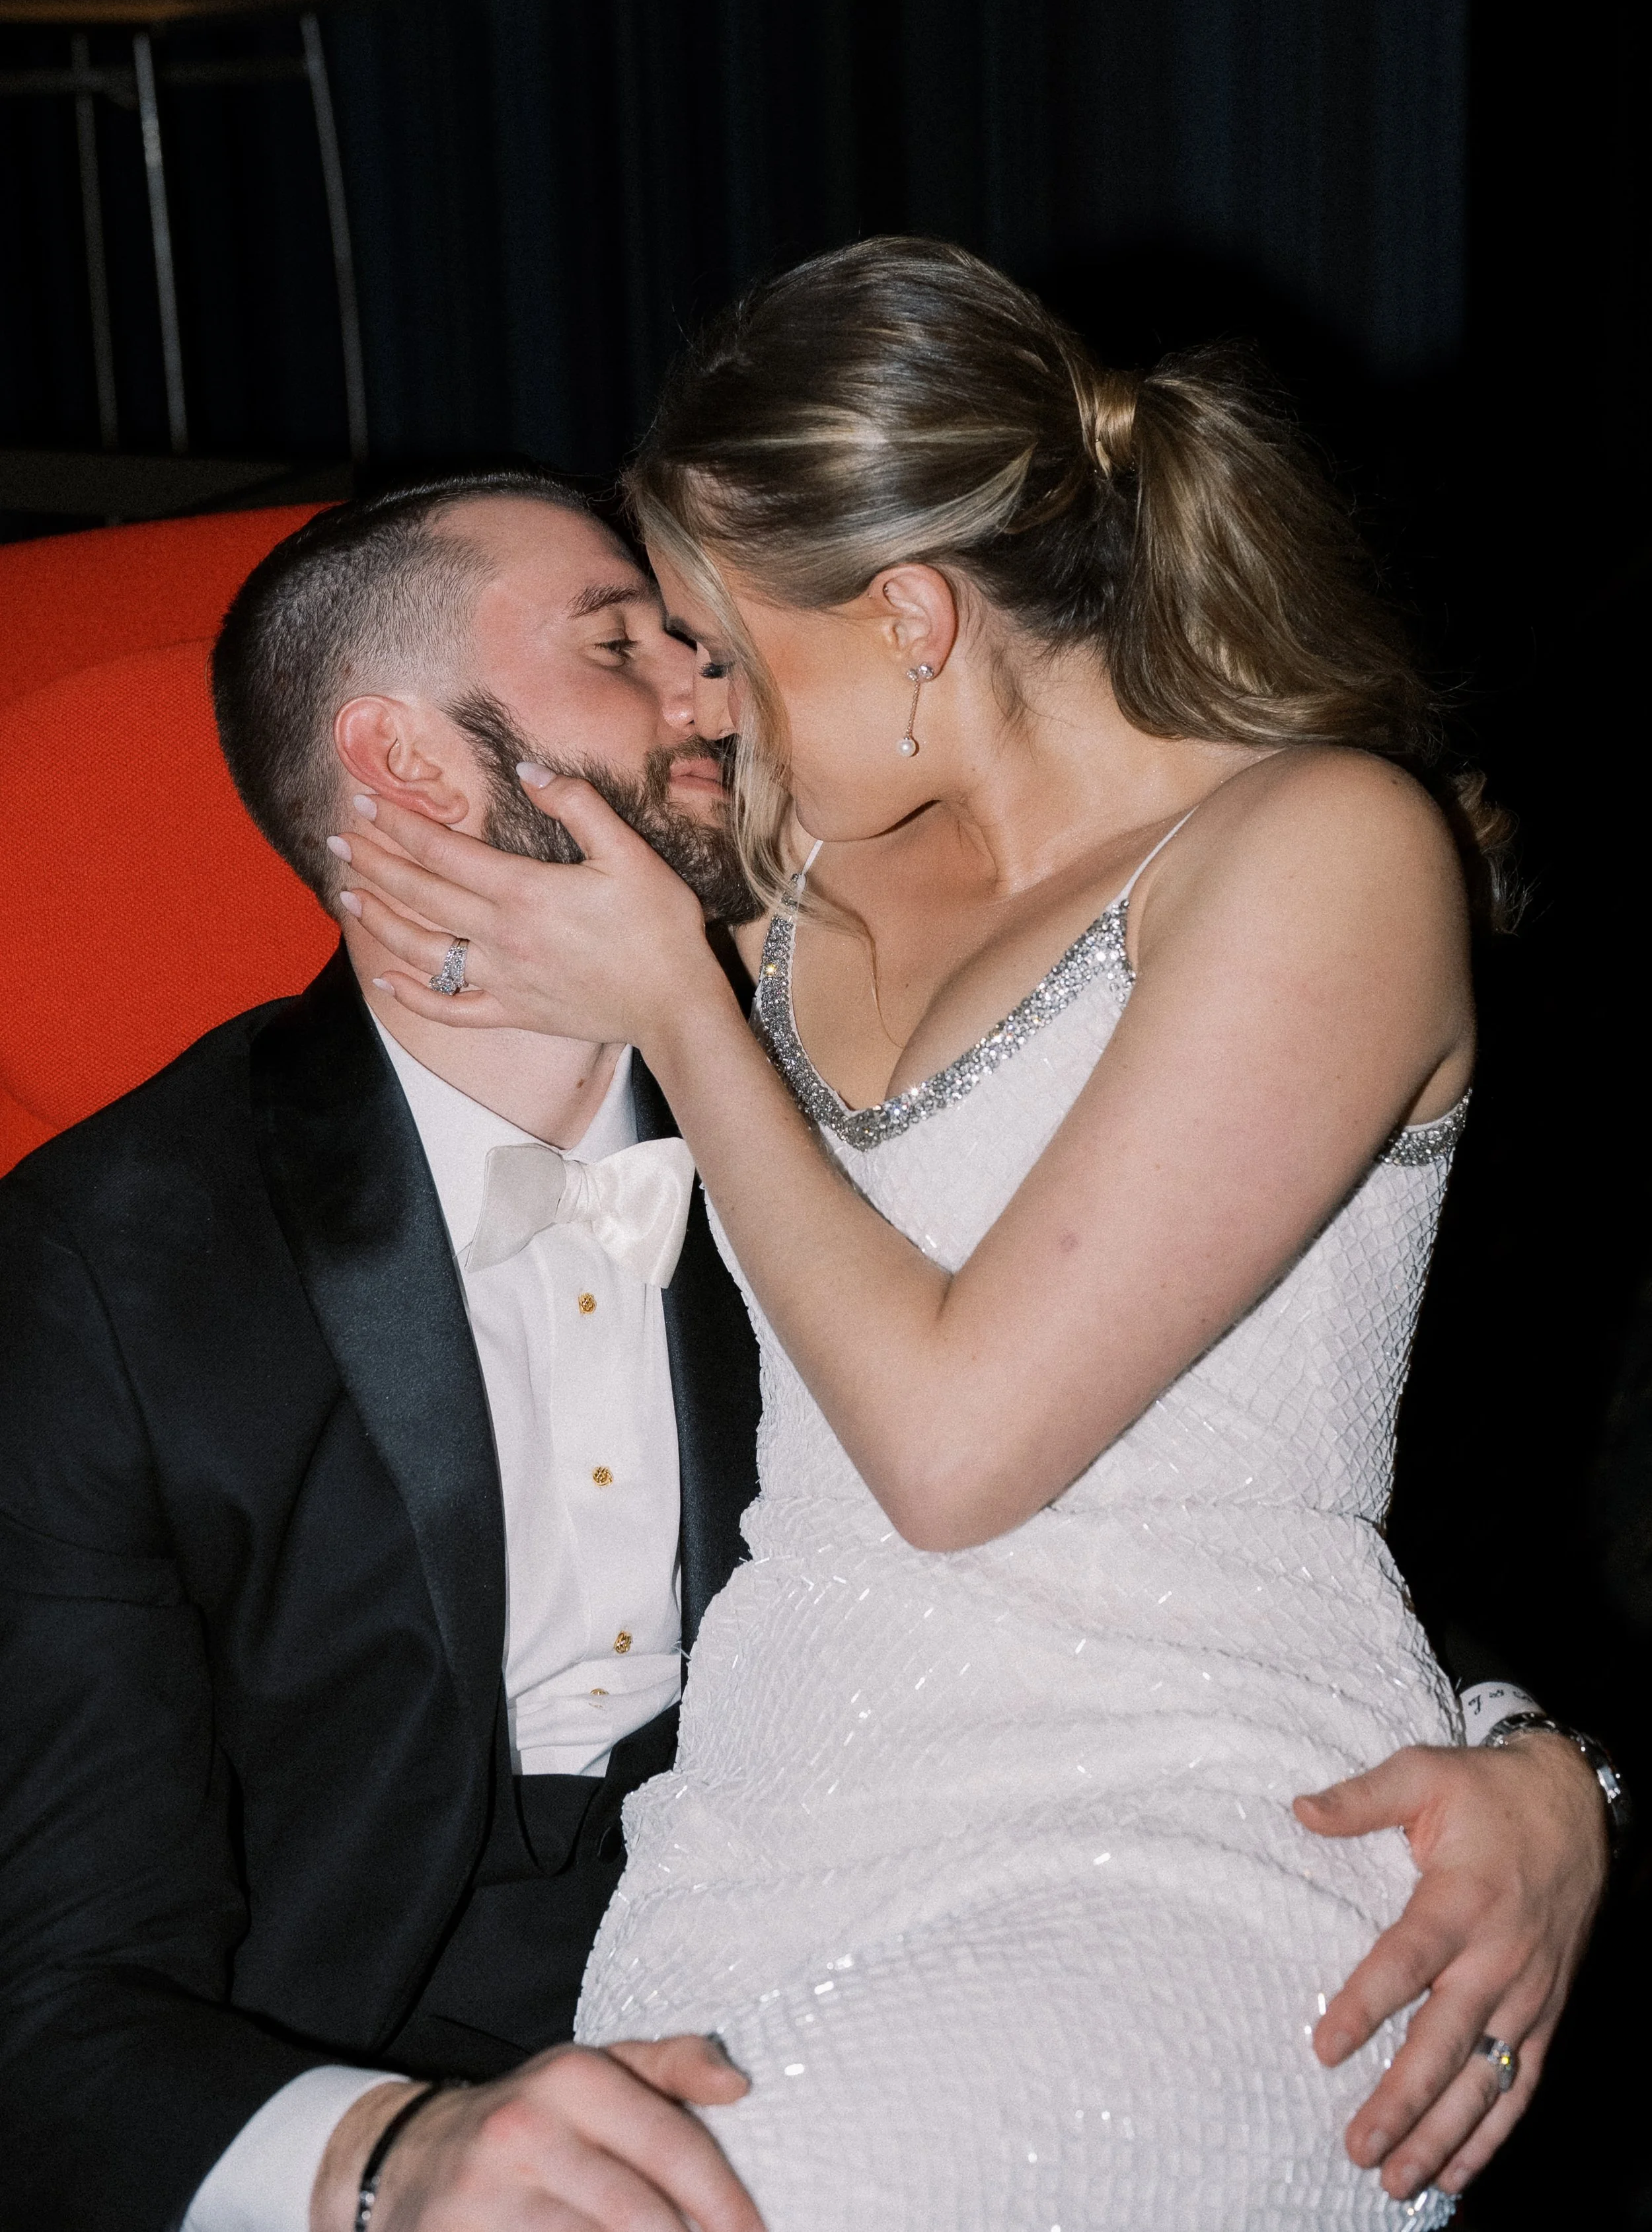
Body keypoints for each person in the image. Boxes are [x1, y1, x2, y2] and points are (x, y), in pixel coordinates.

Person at [334, 240, 1616, 2229]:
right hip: (767, 1822)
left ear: (913, 617)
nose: (696, 702)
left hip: (1178, 1820)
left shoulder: (1318, 849)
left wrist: (684, 1002)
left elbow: (953, 1451)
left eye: (720, 647)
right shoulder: (796, 868)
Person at [0, 475, 765, 2232]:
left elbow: (1189, 1469)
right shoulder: (100, 1269)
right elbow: (54, 1986)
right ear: (413, 764)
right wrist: (385, 2162)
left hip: (833, 1967)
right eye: (620, 643)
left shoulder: (852, 1100)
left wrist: (1520, 1751)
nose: (710, 687)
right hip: (350, 2050)